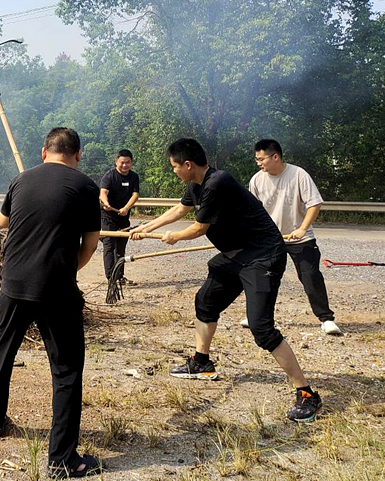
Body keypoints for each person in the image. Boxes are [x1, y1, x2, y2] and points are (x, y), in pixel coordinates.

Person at [129, 138, 322, 422]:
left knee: (261, 328)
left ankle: (307, 394)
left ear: (187, 164)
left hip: (262, 256)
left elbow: (197, 228)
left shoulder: (217, 183)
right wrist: (146, 227)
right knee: (205, 301)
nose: (173, 171)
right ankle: (201, 362)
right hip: (236, 254)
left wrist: (173, 237)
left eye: (173, 167)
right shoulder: (196, 184)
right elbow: (180, 210)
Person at [0, 127, 102, 479]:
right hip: (56, 289)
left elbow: (3, 221)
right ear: (78, 154)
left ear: (43, 152)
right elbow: (91, 244)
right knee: (66, 371)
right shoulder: (85, 186)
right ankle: (62, 460)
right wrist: (67, 271)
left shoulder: (21, 179)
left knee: (3, 349)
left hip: (13, 282)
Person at [248, 139, 341, 335]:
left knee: (310, 276)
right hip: (271, 239)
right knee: (263, 277)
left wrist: (302, 228)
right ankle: (257, 316)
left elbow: (314, 204)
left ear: (275, 156)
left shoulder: (298, 175)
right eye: (256, 159)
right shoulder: (256, 180)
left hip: (300, 238)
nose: (258, 163)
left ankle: (326, 319)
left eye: (261, 159)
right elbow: (253, 211)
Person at [99, 149, 140, 285]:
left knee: (121, 248)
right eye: (122, 162)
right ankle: (111, 277)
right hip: (108, 216)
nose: (124, 165)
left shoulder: (133, 177)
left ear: (131, 163)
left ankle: (119, 276)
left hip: (123, 217)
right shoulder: (109, 176)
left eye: (127, 162)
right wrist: (106, 203)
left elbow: (135, 195)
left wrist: (126, 208)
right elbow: (103, 192)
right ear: (116, 162)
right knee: (109, 245)